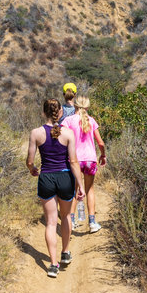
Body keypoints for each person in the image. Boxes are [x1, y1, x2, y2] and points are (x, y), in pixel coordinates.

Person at [26, 98, 85, 278]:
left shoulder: (36, 133)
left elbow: (29, 161)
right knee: (65, 216)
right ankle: (65, 252)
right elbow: (74, 162)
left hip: (46, 178)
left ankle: (53, 264)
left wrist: (33, 169)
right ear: (60, 113)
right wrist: (80, 185)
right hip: (65, 178)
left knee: (51, 222)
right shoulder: (68, 134)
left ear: (43, 112)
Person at [62, 95, 106, 233]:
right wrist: (103, 155)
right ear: (87, 106)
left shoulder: (68, 121)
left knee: (75, 190)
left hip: (74, 159)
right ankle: (92, 223)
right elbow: (100, 143)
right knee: (89, 190)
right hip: (90, 160)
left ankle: (72, 221)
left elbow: (61, 139)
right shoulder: (91, 121)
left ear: (74, 105)